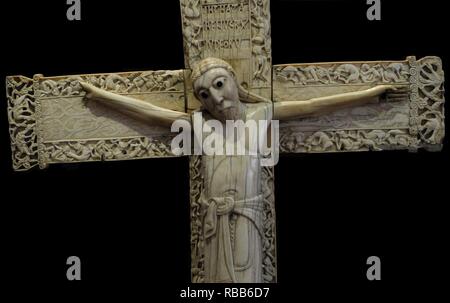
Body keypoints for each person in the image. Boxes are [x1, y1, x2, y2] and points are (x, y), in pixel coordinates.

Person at [80, 57, 406, 282]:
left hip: (248, 217)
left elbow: (315, 105)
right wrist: (102, 97)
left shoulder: (263, 113)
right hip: (215, 221)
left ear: (235, 80)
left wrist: (369, 95)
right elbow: (151, 113)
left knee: (248, 276)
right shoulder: (198, 124)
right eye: (204, 94)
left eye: (220, 84)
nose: (215, 98)